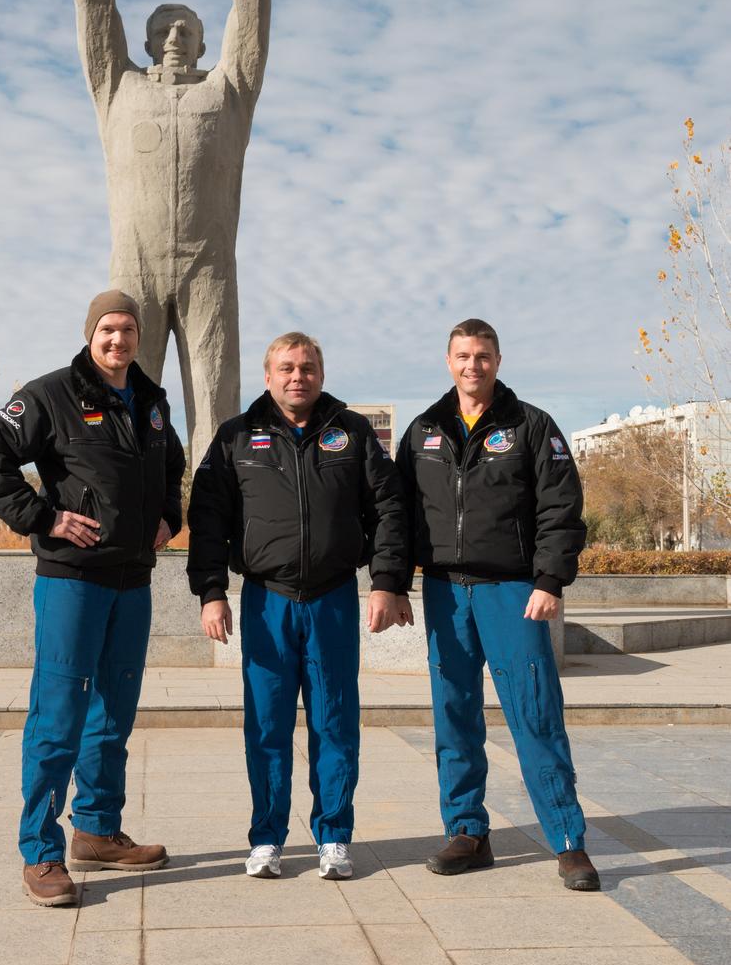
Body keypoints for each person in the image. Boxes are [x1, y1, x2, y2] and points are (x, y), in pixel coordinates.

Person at [0, 290, 185, 907]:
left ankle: (96, 829)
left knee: (114, 714)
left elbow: (174, 468)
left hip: (131, 582)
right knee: (58, 717)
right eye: (107, 330)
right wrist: (43, 517)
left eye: (128, 330)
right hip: (72, 581)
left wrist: (171, 515)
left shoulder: (152, 402)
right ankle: (40, 851)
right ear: (91, 334)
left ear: (139, 337)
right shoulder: (50, 394)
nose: (118, 340)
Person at [187, 332, 407, 880]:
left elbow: (390, 508)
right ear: (267, 376)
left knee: (335, 721)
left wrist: (386, 581)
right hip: (267, 602)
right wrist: (211, 592)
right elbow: (208, 517)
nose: (297, 377)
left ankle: (334, 835)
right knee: (266, 725)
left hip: (332, 600)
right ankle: (267, 838)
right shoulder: (237, 436)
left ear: (321, 374)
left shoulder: (352, 433)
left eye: (307, 367)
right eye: (286, 368)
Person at [75, 0, 270, 469]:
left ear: (207, 42)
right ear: (144, 39)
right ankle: (127, 518)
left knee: (217, 408)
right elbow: (93, 5)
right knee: (122, 404)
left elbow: (255, 8)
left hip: (209, 266)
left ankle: (220, 531)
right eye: (164, 27)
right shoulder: (117, 88)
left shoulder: (228, 91)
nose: (174, 37)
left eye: (187, 28)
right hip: (134, 264)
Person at [396, 319, 600, 892]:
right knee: (454, 715)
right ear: (448, 360)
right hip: (444, 592)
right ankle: (467, 832)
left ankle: (567, 840)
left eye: (482, 356)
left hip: (514, 592)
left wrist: (550, 579)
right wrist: (392, 580)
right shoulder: (422, 431)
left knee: (535, 713)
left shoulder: (531, 425)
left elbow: (561, 508)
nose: (472, 366)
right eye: (463, 356)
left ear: (499, 360)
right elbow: (398, 515)